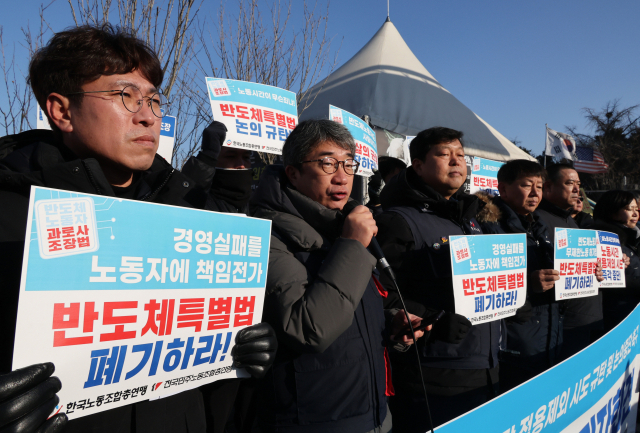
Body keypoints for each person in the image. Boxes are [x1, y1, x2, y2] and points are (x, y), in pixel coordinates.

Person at [0, 24, 276, 433]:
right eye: (125, 96)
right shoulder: (10, 214)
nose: (149, 116)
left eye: (153, 99)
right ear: (61, 110)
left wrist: (240, 351)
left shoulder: (183, 210)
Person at [250, 119, 425, 433]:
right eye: (327, 163)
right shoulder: (266, 234)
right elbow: (309, 329)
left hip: (374, 414)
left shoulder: (345, 224)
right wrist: (353, 246)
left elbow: (351, 308)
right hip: (315, 421)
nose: (342, 176)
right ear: (293, 172)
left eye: (348, 163)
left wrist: (393, 322)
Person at [375, 127, 500, 431]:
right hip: (434, 373)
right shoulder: (397, 220)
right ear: (417, 165)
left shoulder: (470, 219)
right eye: (445, 154)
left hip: (487, 365)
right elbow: (378, 294)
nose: (456, 161)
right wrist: (433, 320)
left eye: (461, 155)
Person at [475, 160, 562, 391]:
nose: (535, 193)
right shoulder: (487, 227)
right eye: (526, 185)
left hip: (547, 333)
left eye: (540, 187)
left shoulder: (539, 226)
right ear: (503, 189)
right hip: (513, 340)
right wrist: (528, 284)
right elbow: (482, 284)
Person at [536, 164, 604, 360]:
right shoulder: (539, 219)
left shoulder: (570, 220)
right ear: (548, 187)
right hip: (562, 323)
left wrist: (596, 269)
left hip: (585, 318)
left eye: (578, 184)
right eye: (569, 183)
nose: (577, 189)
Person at [593, 190, 640, 333]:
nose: (635, 214)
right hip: (614, 319)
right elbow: (607, 282)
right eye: (628, 209)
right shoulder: (604, 240)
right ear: (612, 212)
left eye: (636, 209)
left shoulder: (633, 237)